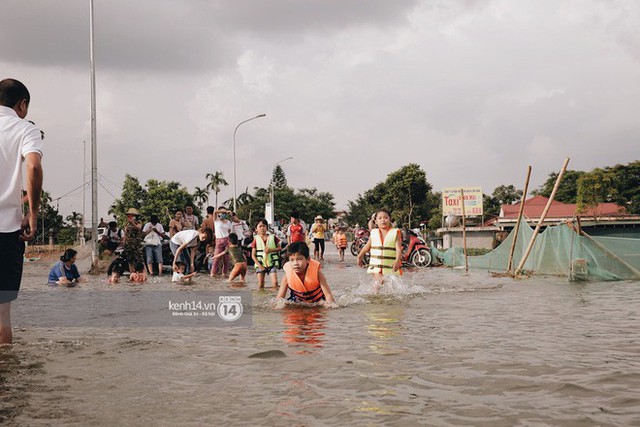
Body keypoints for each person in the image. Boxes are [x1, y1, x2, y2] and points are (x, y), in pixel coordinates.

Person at [0, 78, 44, 344]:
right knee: (3, 313)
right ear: (22, 104)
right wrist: (34, 213)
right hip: (7, 231)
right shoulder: (25, 129)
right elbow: (34, 167)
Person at [357, 209, 403, 288]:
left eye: (386, 218)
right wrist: (359, 256)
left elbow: (398, 249)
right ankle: (375, 297)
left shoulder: (395, 233)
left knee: (392, 286)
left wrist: (397, 261)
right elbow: (367, 247)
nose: (383, 220)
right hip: (376, 264)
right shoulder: (374, 233)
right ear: (376, 222)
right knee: (378, 283)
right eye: (380, 218)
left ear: (390, 220)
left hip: (390, 264)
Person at [251, 219, 282, 289]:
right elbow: (253, 255)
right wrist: (259, 266)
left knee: (275, 283)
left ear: (267, 228)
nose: (262, 228)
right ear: (256, 229)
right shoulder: (255, 240)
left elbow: (280, 248)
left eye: (264, 226)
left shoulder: (273, 237)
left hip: (272, 263)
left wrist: (271, 250)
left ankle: (274, 297)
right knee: (261, 284)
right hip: (260, 264)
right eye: (260, 226)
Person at [211, 206, 233, 277]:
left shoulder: (228, 222)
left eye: (224, 213)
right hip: (219, 241)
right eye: (222, 213)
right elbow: (214, 212)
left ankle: (225, 273)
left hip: (227, 240)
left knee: (226, 259)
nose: (223, 214)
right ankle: (213, 273)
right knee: (216, 258)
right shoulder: (216, 220)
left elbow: (229, 232)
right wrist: (225, 211)